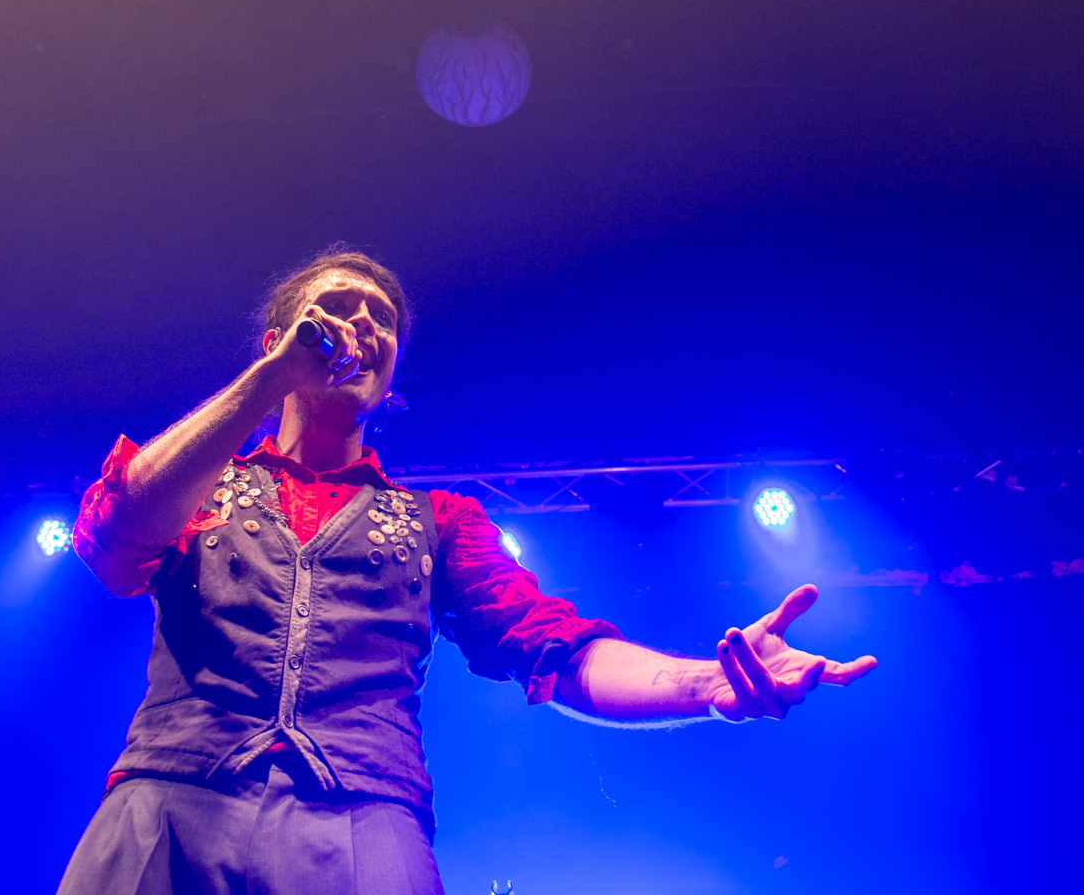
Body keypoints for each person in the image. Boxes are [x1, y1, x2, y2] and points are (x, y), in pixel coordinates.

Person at [60, 246, 877, 895]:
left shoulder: (439, 521)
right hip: (169, 802)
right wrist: (272, 377)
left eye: (382, 318)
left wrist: (707, 685)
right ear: (281, 336)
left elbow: (551, 646)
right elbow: (113, 534)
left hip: (361, 817)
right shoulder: (207, 480)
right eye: (339, 306)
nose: (362, 323)